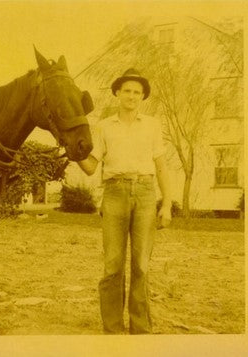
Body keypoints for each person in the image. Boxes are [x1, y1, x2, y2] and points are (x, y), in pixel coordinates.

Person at [77, 68, 172, 334]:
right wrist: (72, 150)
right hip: (115, 193)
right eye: (127, 90)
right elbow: (91, 166)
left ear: (143, 96)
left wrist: (166, 204)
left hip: (145, 192)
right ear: (118, 93)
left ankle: (140, 330)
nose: (132, 96)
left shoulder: (152, 125)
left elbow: (162, 167)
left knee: (141, 264)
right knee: (112, 264)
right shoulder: (104, 126)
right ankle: (113, 330)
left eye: (137, 92)